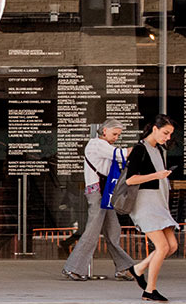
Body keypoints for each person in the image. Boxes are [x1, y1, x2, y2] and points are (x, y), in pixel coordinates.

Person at [62, 119, 137, 282]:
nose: (116, 137)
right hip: (99, 193)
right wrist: (142, 146)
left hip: (103, 193)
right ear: (104, 131)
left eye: (118, 135)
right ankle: (73, 268)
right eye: (114, 134)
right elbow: (121, 154)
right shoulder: (97, 144)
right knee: (92, 231)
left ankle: (124, 268)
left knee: (113, 230)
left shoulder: (102, 146)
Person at [124, 115, 178, 302]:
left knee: (172, 246)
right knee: (162, 246)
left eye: (170, 134)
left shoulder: (158, 150)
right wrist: (157, 175)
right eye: (165, 133)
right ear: (154, 129)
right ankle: (149, 290)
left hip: (158, 203)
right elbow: (130, 180)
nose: (168, 137)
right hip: (145, 203)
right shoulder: (140, 149)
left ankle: (138, 269)